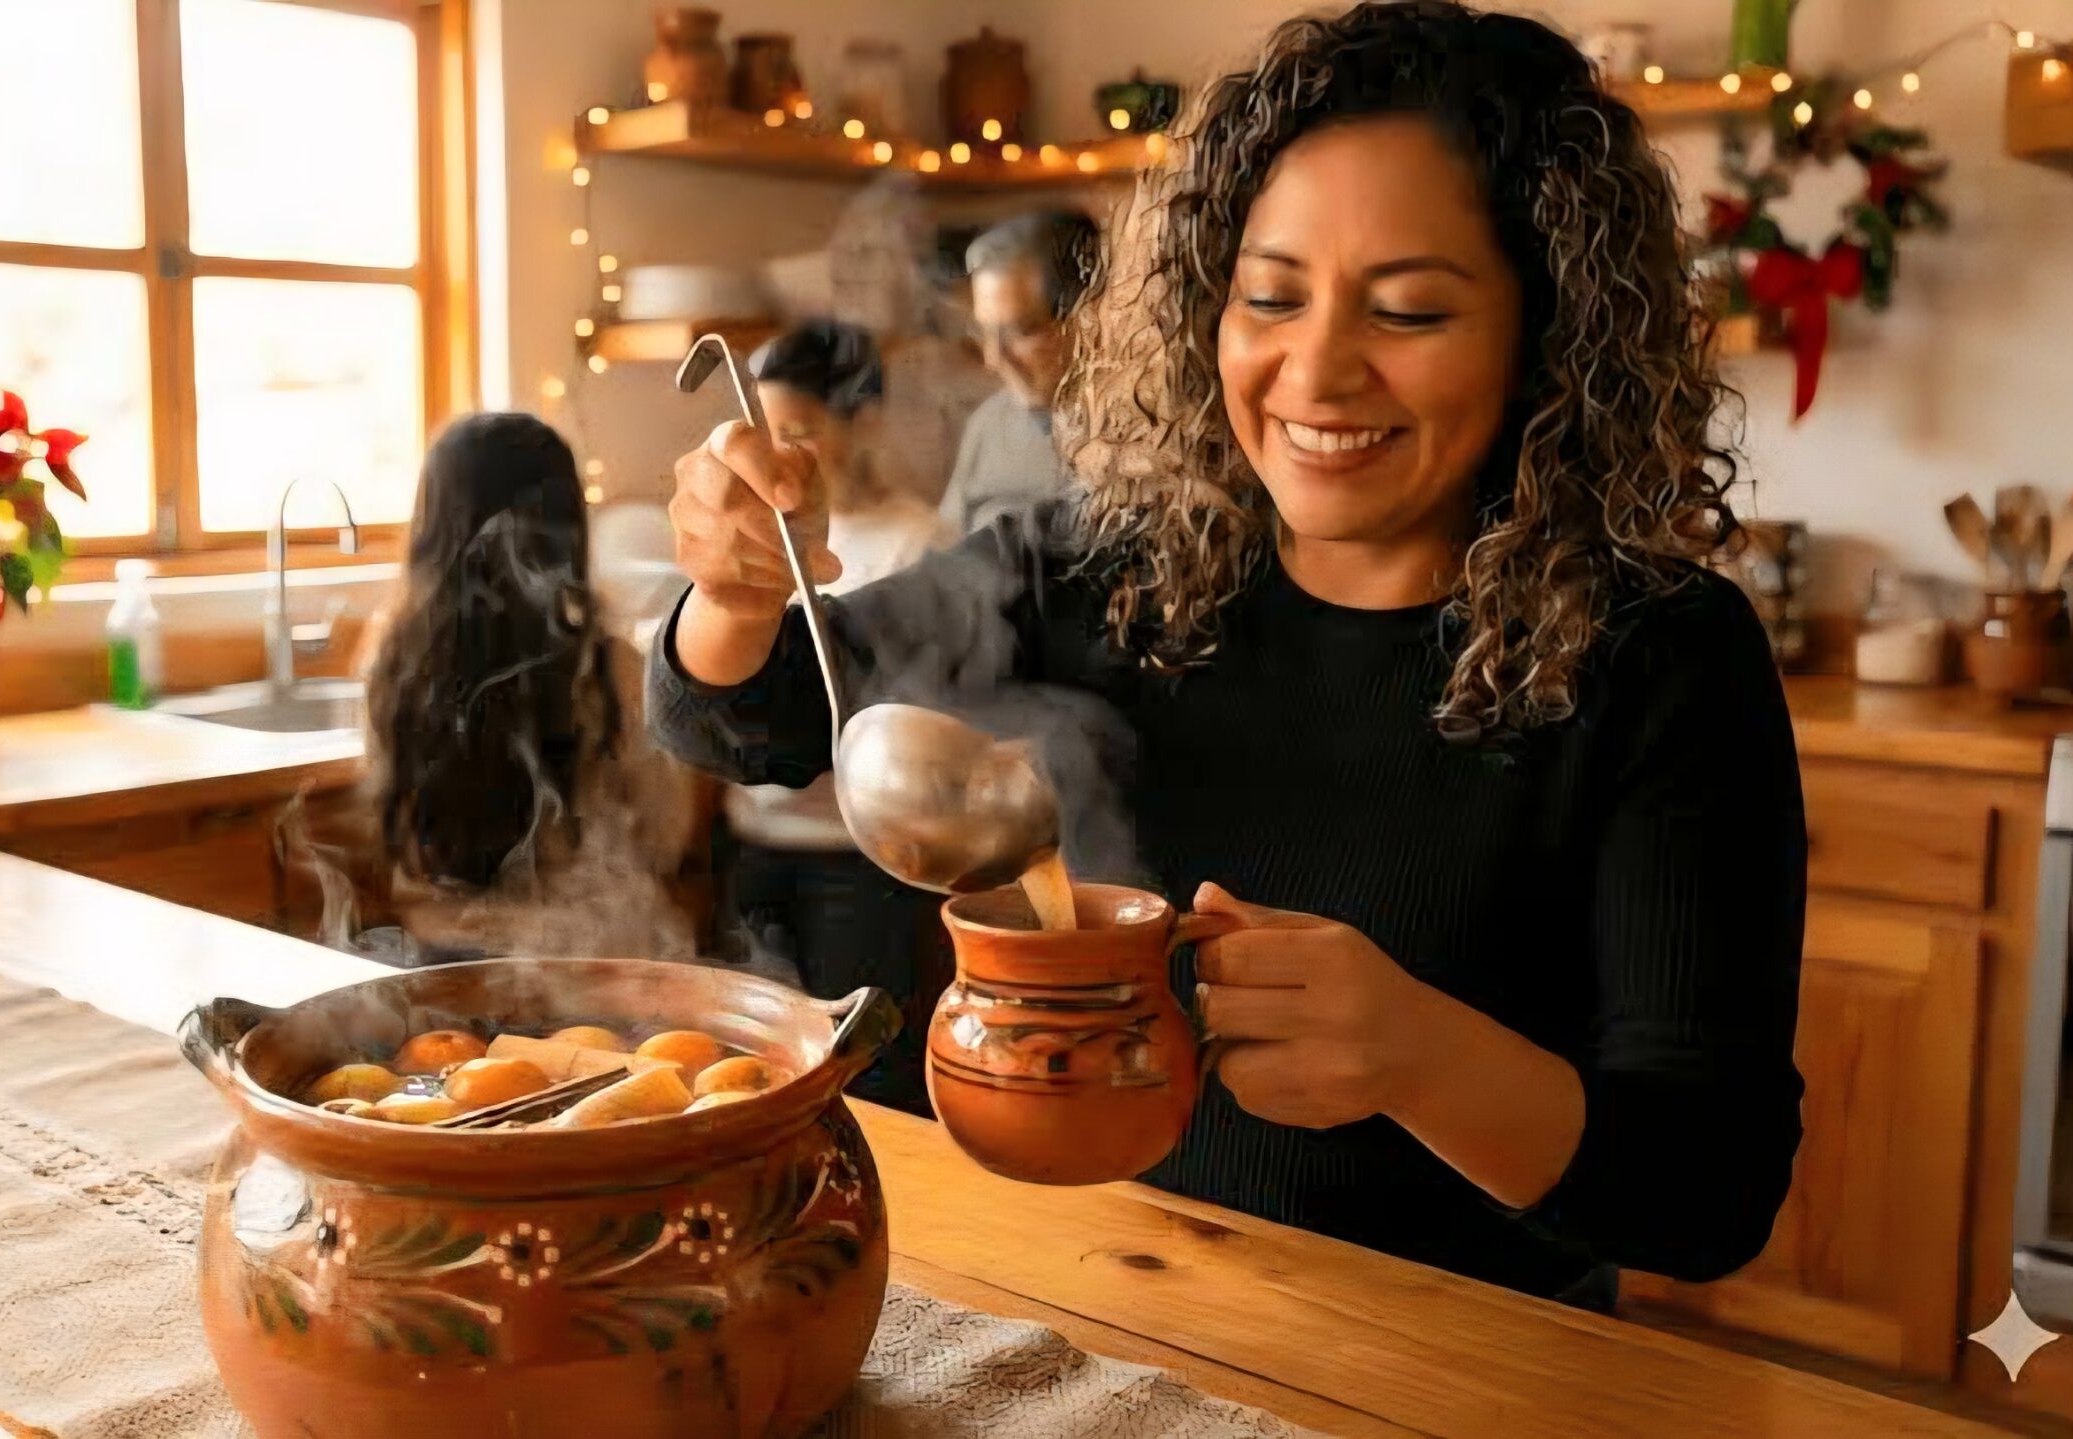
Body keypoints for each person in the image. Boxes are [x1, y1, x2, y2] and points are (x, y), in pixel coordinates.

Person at [649, 0, 1804, 1309]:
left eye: (1410, 312)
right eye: (1270, 296)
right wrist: (736, 587)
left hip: (1462, 1368)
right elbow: (757, 715)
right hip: (1116, 1306)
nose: (1315, 370)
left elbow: (1711, 1188)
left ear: (1547, 333)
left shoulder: (1662, 657)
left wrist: (1420, 1056)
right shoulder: (1091, 566)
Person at [305, 413, 699, 963]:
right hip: (588, 955)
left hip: (443, 958)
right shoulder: (607, 664)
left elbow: (382, 794)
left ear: (432, 524)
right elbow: (665, 829)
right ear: (564, 525)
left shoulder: (392, 657)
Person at [723, 321, 952, 1110]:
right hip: (754, 841)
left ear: (865, 422)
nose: (778, 456)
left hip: (859, 864)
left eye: (800, 433)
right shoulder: (760, 539)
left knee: (863, 1073)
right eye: (766, 435)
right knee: (759, 1065)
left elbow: (919, 724)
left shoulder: (919, 541)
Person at [939, 209, 1100, 535]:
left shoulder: (1140, 438)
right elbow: (944, 548)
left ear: (1088, 319)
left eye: (1020, 332)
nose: (993, 358)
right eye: (983, 332)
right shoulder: (988, 425)